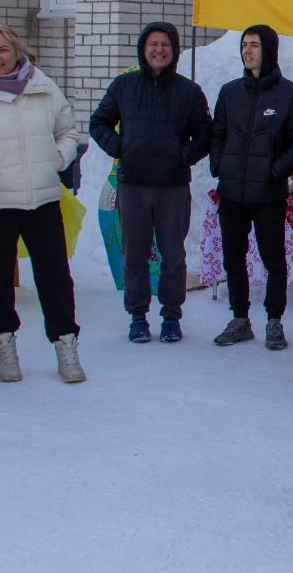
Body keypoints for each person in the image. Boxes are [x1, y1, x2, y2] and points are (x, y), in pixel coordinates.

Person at [0, 25, 84, 384]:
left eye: (3, 49)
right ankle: (4, 345)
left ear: (17, 51)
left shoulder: (43, 86)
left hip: (41, 198)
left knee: (55, 277)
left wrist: (59, 157)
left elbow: (68, 130)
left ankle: (65, 344)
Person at [89, 21, 212, 345]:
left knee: (173, 254)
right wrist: (120, 148)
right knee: (135, 253)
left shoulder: (189, 91)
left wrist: (182, 155)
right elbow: (99, 122)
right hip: (134, 185)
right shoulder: (124, 87)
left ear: (173, 51)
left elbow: (205, 134)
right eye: (153, 44)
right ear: (143, 49)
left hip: (172, 186)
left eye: (165, 45)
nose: (159, 50)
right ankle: (138, 316)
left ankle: (171, 316)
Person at [209, 24, 293, 351]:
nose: (247, 51)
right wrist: (219, 165)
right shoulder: (230, 93)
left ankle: (274, 320)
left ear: (269, 50)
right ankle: (240, 319)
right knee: (233, 257)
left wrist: (274, 171)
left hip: (267, 194)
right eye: (244, 45)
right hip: (232, 192)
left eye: (254, 45)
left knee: (272, 258)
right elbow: (217, 133)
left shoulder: (290, 95)